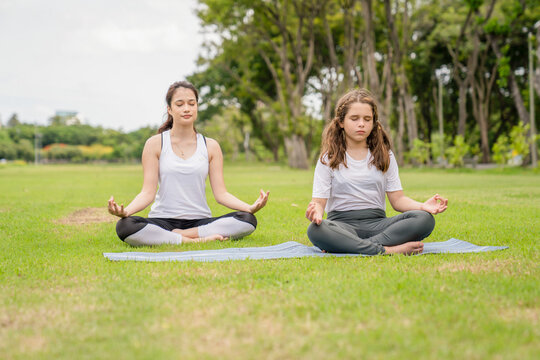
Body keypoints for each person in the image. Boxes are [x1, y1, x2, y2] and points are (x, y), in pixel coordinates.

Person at [108, 81, 269, 246]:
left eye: (192, 104)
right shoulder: (154, 144)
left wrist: (249, 208)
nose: (186, 108)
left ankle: (181, 236)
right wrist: (126, 211)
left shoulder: (211, 146)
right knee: (125, 226)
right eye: (180, 104)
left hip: (200, 222)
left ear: (197, 107)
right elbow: (147, 193)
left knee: (247, 220)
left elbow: (221, 194)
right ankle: (194, 241)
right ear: (169, 109)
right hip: (162, 220)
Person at [305, 89, 448, 255]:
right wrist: (316, 211)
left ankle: (350, 246)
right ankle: (388, 250)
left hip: (379, 225)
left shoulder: (384, 155)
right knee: (316, 230)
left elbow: (398, 200)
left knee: (424, 219)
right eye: (354, 118)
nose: (361, 124)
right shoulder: (328, 158)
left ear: (373, 123)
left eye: (367, 119)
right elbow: (319, 202)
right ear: (341, 122)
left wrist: (423, 206)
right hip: (341, 225)